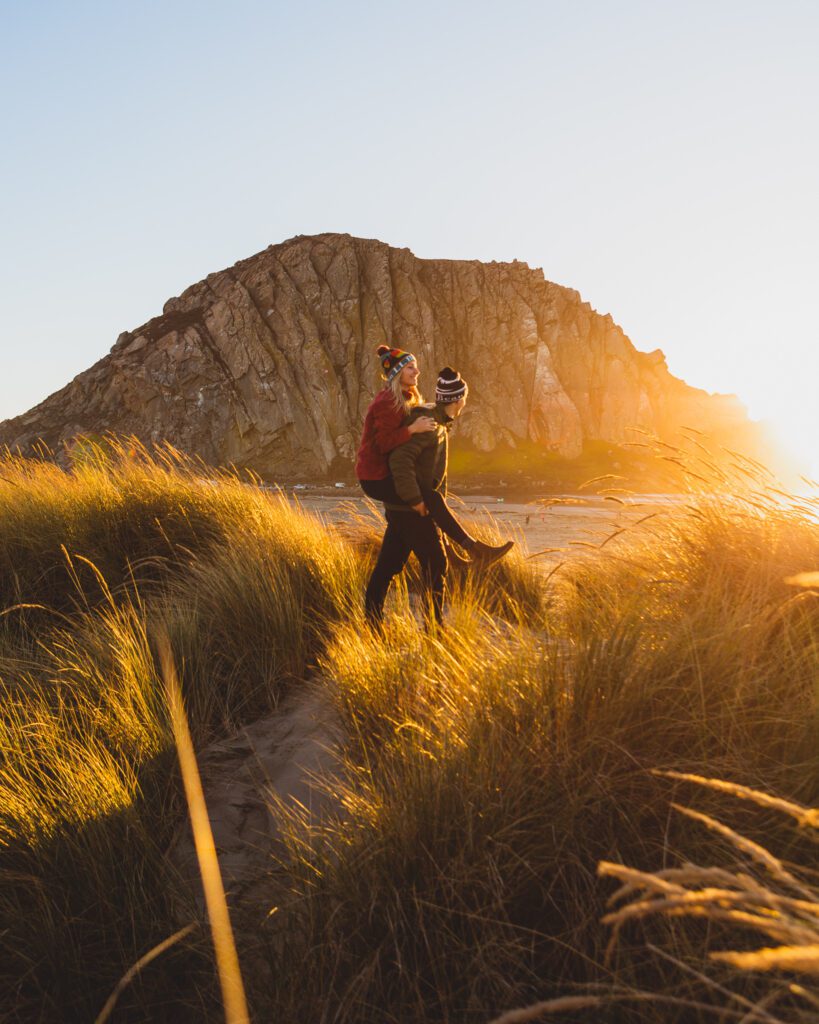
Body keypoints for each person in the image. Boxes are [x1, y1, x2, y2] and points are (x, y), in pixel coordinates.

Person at [364, 366, 513, 629]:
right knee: (435, 562)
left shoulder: (436, 420)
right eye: (463, 397)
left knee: (388, 566)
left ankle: (373, 623)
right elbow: (400, 460)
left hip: (404, 507)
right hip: (410, 508)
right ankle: (434, 628)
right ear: (458, 400)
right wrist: (414, 499)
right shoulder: (430, 424)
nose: (464, 401)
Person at [355, 344, 512, 564]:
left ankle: (456, 554)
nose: (417, 372)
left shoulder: (406, 396)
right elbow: (383, 444)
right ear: (398, 374)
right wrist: (412, 430)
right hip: (375, 477)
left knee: (389, 565)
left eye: (415, 367)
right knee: (430, 498)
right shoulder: (388, 401)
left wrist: (434, 414)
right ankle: (472, 550)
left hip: (384, 472)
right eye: (410, 368)